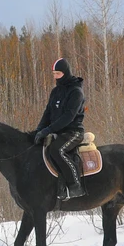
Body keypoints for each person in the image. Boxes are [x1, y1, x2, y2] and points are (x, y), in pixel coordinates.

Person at [34, 58, 87, 201]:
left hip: (73, 132)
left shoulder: (76, 92)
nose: (55, 76)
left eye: (58, 73)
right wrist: (39, 130)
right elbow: (48, 112)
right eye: (54, 73)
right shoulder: (55, 91)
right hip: (57, 131)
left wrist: (48, 130)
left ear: (66, 73)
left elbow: (68, 117)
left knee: (57, 150)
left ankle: (75, 185)